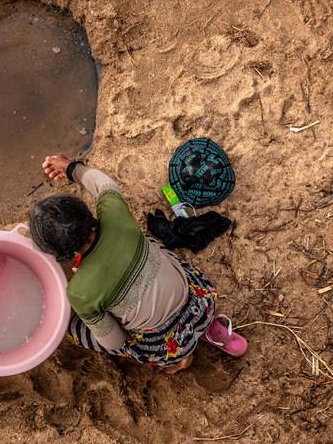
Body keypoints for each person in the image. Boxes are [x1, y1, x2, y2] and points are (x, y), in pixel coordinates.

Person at [28, 154, 246, 373]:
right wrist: (71, 168)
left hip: (169, 345)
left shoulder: (79, 293)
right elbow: (104, 183)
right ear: (86, 214)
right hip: (200, 302)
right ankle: (210, 328)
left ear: (59, 254)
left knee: (74, 327)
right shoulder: (115, 215)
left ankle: (178, 360)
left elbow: (114, 342)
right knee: (148, 244)